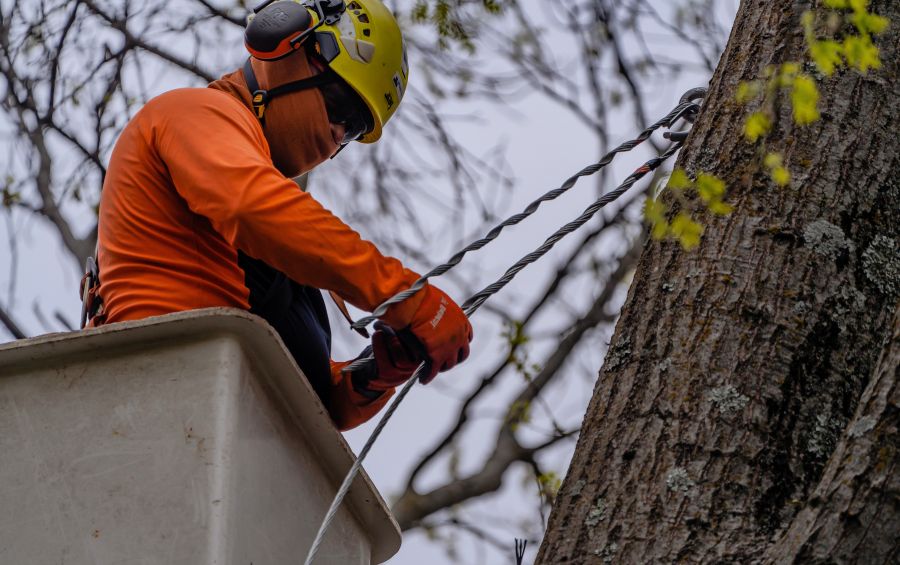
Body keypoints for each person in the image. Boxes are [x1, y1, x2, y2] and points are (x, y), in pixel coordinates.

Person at [84, 0, 473, 430]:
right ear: (287, 47)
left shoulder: (283, 229)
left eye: (357, 127)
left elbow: (307, 397)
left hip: (224, 425)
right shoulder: (190, 113)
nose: (339, 133)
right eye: (341, 105)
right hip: (163, 396)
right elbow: (249, 206)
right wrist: (404, 294)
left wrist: (369, 378)